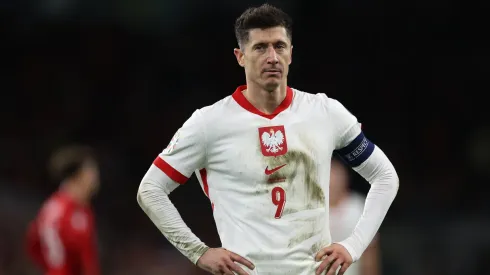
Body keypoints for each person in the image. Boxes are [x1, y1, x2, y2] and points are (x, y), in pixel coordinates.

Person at [137, 3, 399, 275]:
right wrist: (198, 252)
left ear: (291, 54)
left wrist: (354, 245)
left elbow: (385, 176)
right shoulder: (209, 124)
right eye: (260, 47)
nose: (272, 56)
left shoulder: (325, 113)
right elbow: (151, 190)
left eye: (280, 46)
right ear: (240, 56)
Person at [25, 145, 101, 275]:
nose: (95, 177)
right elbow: (42, 250)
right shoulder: (56, 211)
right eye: (91, 171)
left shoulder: (85, 212)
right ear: (78, 175)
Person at [329, 158, 381, 275]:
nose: (331, 182)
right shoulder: (312, 211)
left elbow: (370, 254)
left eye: (335, 175)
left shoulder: (359, 208)